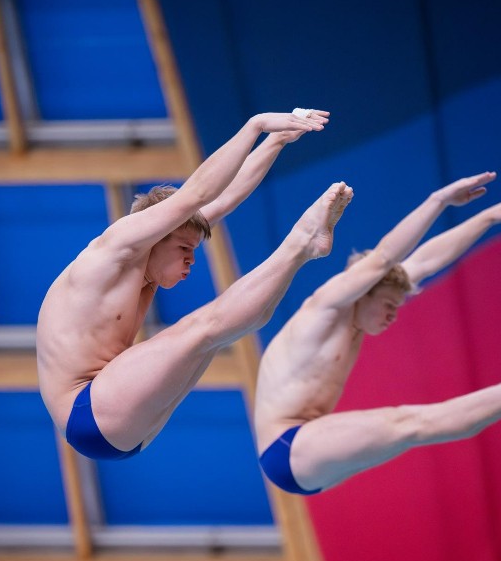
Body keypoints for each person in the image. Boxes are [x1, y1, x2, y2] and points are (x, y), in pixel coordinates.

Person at [37, 109, 354, 460]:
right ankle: (302, 243)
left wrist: (276, 141)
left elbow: (223, 199)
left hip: (117, 418)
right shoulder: (115, 248)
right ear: (156, 234)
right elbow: (198, 193)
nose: (192, 259)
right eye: (184, 248)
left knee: (220, 334)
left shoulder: (144, 262)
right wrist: (256, 126)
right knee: (204, 326)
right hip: (87, 410)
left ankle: (303, 249)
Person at [254, 171, 501, 495]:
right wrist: (439, 200)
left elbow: (425, 262)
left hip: (306, 449)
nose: (393, 315)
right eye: (389, 304)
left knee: (416, 426)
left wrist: (487, 218)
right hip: (286, 446)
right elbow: (384, 258)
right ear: (363, 291)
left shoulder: (357, 312)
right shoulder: (326, 306)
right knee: (411, 423)